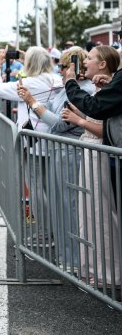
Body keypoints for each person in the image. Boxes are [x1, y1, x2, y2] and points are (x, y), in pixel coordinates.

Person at [18, 47, 94, 272]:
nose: (58, 70)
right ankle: (66, 258)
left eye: (62, 66)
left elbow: (59, 123)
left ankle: (74, 261)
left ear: (75, 67)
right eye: (58, 65)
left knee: (69, 208)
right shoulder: (67, 88)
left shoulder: (83, 90)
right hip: (59, 151)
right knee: (59, 208)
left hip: (70, 153)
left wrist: (32, 102)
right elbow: (54, 114)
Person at [62, 45, 122, 286]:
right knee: (90, 211)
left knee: (103, 213)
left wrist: (70, 85)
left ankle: (109, 273)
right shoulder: (113, 80)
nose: (85, 62)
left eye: (89, 58)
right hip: (100, 152)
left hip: (105, 153)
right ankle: (96, 268)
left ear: (103, 63)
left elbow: (96, 110)